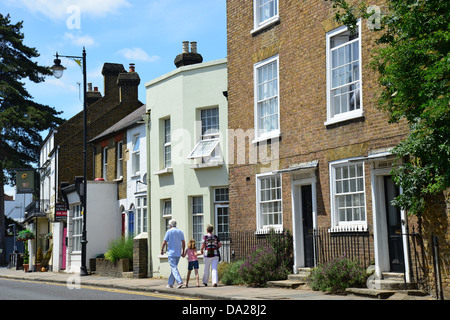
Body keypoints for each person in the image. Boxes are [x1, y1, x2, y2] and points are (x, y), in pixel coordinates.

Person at [161, 219, 185, 288]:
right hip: (178, 253)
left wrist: (162, 250)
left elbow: (164, 242)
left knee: (174, 268)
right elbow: (183, 242)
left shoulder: (168, 232)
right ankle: (170, 284)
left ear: (170, 225)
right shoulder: (180, 232)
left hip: (171, 253)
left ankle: (179, 282)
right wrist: (183, 251)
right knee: (174, 268)